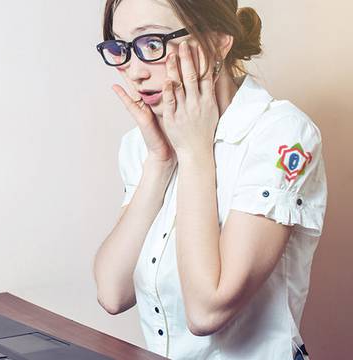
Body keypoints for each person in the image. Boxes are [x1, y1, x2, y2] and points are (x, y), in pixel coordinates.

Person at [92, 0, 327, 359]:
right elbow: (112, 292)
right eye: (120, 47)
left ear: (218, 41)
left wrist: (194, 152)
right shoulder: (141, 144)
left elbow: (206, 311)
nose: (134, 71)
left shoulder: (281, 134)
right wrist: (160, 161)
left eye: (152, 44)